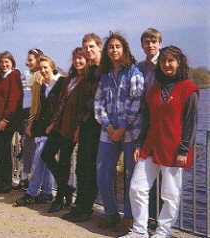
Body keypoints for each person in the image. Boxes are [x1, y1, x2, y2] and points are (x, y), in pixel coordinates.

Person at [120, 46, 199, 238]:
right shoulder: (154, 90)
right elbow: (146, 121)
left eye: (171, 61)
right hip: (150, 147)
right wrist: (139, 144)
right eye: (163, 61)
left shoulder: (188, 89)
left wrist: (183, 150)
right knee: (137, 187)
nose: (166, 64)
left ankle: (162, 232)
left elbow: (191, 124)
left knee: (169, 194)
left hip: (173, 149)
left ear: (179, 63)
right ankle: (139, 230)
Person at [94, 32, 144, 230]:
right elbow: (98, 102)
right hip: (108, 131)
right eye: (110, 47)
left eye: (117, 46)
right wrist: (108, 125)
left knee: (131, 174)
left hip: (130, 131)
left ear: (124, 49)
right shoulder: (105, 76)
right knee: (103, 172)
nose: (114, 50)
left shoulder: (134, 72)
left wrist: (122, 127)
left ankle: (130, 217)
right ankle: (111, 213)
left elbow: (136, 102)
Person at [41, 47, 89, 213]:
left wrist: (78, 129)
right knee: (46, 154)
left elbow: (85, 108)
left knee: (64, 162)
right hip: (60, 125)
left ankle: (60, 198)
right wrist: (53, 123)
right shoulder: (69, 79)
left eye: (81, 58)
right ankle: (67, 188)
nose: (78, 61)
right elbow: (61, 103)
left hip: (72, 127)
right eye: (75, 58)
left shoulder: (88, 80)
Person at [62, 33, 102, 222]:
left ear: (99, 47)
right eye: (85, 47)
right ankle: (81, 206)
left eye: (91, 46)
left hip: (100, 126)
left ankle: (86, 208)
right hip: (86, 124)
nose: (88, 50)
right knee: (81, 168)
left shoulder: (104, 69)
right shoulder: (89, 71)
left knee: (90, 168)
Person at [14, 55, 63, 206]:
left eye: (45, 67)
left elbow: (61, 108)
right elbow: (37, 108)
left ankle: (31, 192)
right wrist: (31, 124)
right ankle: (47, 193)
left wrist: (54, 125)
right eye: (41, 68)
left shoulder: (60, 83)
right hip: (41, 128)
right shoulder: (41, 85)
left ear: (52, 67)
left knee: (38, 159)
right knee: (45, 162)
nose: (43, 70)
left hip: (54, 129)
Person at [137, 28, 163, 228]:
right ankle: (148, 218)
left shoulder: (167, 63)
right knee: (147, 176)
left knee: (165, 179)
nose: (150, 45)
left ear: (159, 44)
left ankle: (162, 222)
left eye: (154, 41)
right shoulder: (140, 67)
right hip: (146, 123)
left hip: (163, 124)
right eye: (147, 42)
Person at [0, 51, 23, 193]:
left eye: (7, 62)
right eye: (2, 62)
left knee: (5, 151)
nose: (4, 65)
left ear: (12, 62)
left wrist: (5, 120)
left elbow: (14, 99)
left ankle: (7, 182)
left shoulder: (14, 75)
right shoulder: (0, 77)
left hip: (7, 121)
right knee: (0, 151)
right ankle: (1, 181)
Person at [13, 48, 44, 190]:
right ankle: (25, 178)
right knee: (27, 148)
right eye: (28, 60)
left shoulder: (41, 75)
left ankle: (34, 180)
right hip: (25, 115)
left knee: (35, 150)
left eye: (31, 60)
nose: (27, 62)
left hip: (37, 115)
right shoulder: (25, 75)